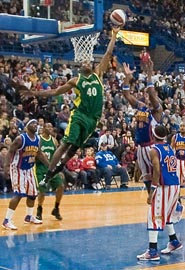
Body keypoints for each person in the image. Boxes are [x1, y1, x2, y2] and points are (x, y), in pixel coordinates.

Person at [20, 26, 120, 185]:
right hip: (79, 115)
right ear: (80, 66)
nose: (87, 62)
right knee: (66, 143)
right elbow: (54, 92)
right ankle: (47, 175)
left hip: (93, 120)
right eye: (84, 61)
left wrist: (114, 35)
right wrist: (34, 93)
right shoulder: (75, 80)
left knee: (73, 150)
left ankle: (57, 171)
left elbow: (108, 53)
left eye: (89, 60)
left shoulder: (98, 74)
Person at [137, 125, 182, 261]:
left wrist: (152, 191)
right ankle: (174, 242)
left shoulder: (154, 150)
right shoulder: (169, 148)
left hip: (164, 186)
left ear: (153, 135)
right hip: (175, 184)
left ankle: (152, 251)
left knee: (154, 216)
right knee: (166, 215)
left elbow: (157, 170)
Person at [122, 60, 163, 194]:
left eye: (149, 94)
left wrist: (150, 74)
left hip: (152, 146)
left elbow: (151, 93)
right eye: (145, 94)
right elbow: (126, 94)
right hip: (140, 147)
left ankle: (171, 199)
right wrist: (127, 78)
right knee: (146, 177)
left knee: (159, 175)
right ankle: (151, 199)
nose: (147, 95)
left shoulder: (157, 111)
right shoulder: (141, 106)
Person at [2, 119, 49, 230]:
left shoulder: (38, 139)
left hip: (29, 169)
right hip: (17, 169)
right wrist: (6, 167)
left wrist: (50, 166)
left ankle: (29, 216)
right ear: (27, 127)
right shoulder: (20, 139)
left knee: (32, 195)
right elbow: (10, 152)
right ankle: (7, 220)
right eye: (32, 123)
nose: (35, 125)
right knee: (18, 194)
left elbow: (39, 154)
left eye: (36, 123)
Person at [35, 123, 65, 221]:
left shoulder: (54, 141)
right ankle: (39, 209)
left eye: (51, 127)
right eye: (47, 127)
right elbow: (34, 154)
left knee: (61, 187)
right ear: (43, 128)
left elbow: (58, 155)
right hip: (40, 168)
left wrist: (58, 169)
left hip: (51, 169)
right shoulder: (38, 140)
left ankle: (56, 208)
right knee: (42, 192)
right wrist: (40, 156)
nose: (50, 128)